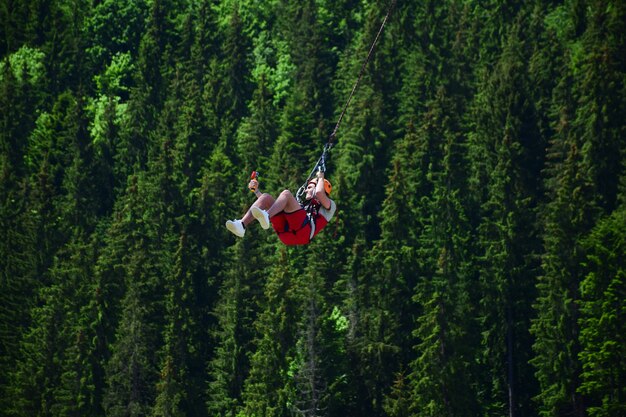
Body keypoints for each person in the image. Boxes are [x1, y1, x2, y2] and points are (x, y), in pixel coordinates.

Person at [225, 170, 336, 245]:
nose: (306, 190)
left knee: (286, 194)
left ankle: (267, 217)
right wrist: (256, 191)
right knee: (266, 197)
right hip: (287, 234)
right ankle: (242, 225)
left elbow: (320, 193)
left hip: (303, 232)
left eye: (310, 187)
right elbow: (276, 207)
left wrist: (320, 178)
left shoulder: (330, 206)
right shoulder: (303, 206)